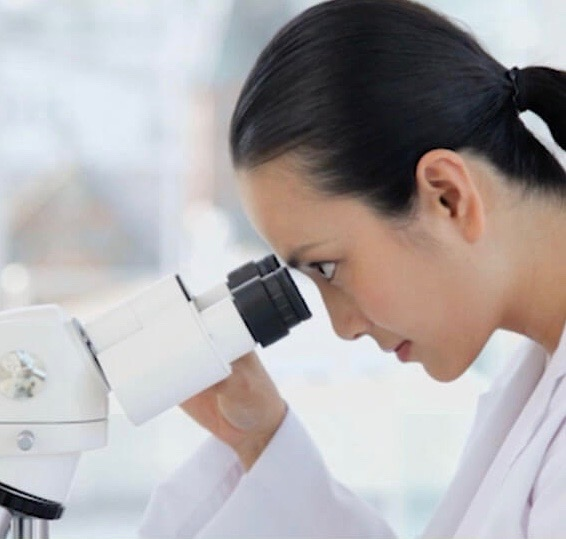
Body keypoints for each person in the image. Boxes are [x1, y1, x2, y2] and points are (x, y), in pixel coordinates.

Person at [139, 0, 566, 537]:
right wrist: (260, 438)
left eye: (328, 267)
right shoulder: (533, 380)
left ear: (448, 196)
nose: (343, 327)